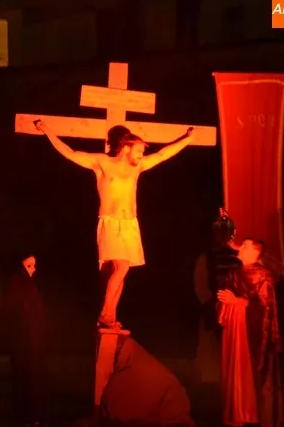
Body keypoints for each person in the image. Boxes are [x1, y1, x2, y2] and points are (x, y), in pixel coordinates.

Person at [34, 120, 195, 330]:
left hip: (130, 225)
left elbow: (163, 154)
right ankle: (104, 313)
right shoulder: (103, 163)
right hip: (111, 222)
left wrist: (187, 139)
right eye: (138, 151)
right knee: (122, 267)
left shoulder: (137, 168)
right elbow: (70, 153)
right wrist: (48, 131)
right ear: (125, 148)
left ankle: (111, 315)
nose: (141, 155)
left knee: (120, 273)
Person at [217, 238, 283, 427]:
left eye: (245, 245)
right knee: (234, 366)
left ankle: (252, 413)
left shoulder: (263, 276)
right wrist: (224, 303)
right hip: (234, 327)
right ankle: (235, 412)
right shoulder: (234, 273)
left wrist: (238, 302)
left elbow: (265, 308)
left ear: (255, 252)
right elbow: (225, 295)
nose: (240, 247)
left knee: (247, 367)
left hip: (249, 332)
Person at [194, 208, 241, 384]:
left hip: (235, 308)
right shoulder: (207, 257)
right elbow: (201, 284)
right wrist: (210, 304)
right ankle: (214, 381)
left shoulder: (241, 255)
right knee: (212, 348)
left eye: (225, 230)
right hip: (215, 306)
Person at [3, 252, 47, 422]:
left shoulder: (32, 287)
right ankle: (21, 414)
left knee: (33, 374)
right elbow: (13, 311)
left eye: (34, 266)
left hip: (33, 339)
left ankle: (33, 413)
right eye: (29, 266)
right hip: (20, 339)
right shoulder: (15, 286)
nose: (33, 270)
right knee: (21, 374)